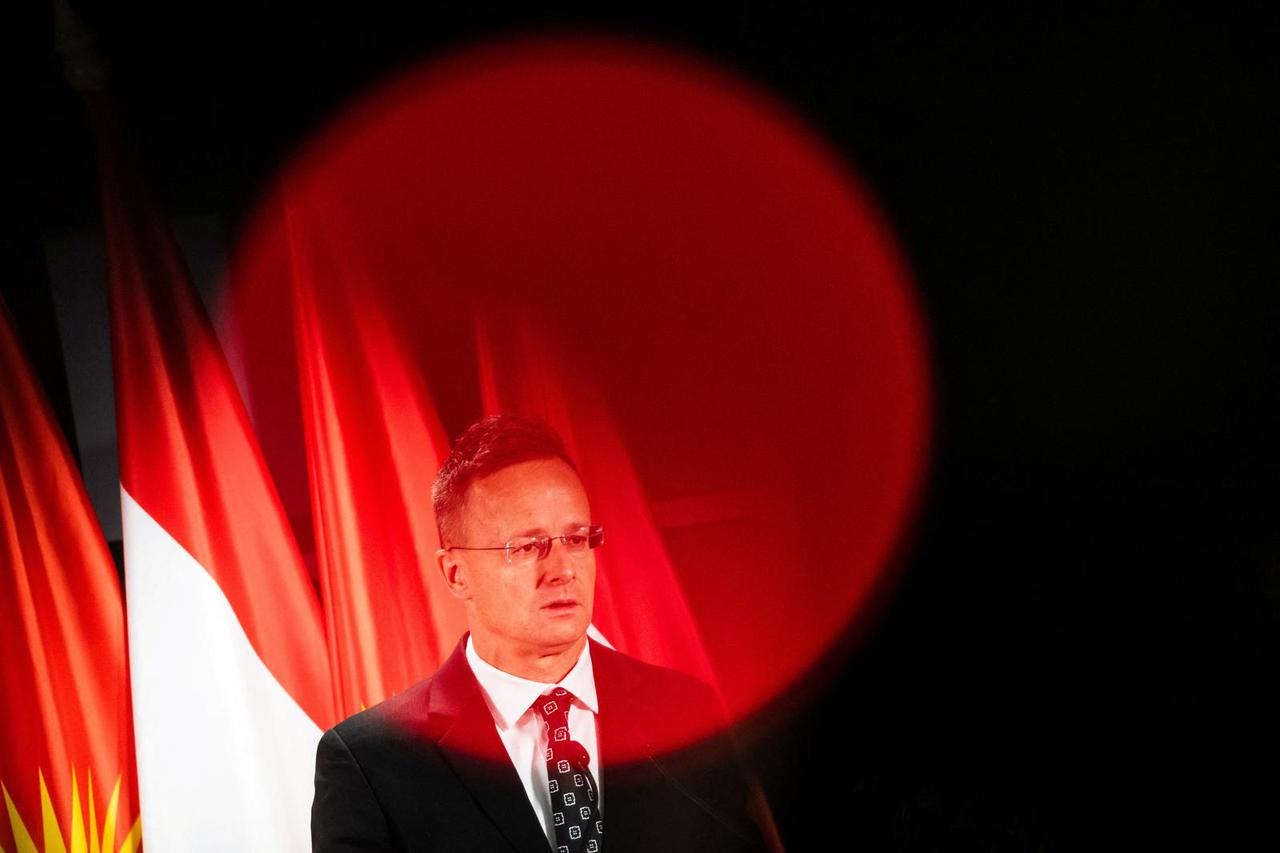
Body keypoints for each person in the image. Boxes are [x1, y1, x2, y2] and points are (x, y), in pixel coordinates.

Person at [312, 414, 769, 852]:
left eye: (575, 539)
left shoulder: (686, 713)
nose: (562, 571)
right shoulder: (370, 761)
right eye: (527, 546)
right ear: (455, 574)